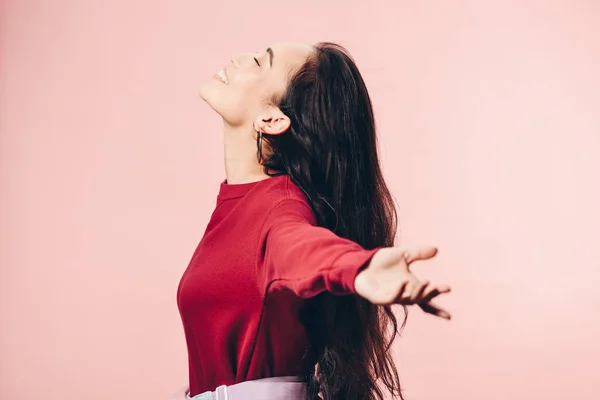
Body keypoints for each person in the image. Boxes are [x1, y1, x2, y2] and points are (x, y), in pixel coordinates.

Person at [170, 41, 452, 400]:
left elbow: (300, 246)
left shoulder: (278, 209)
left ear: (272, 119)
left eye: (258, 62)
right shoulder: (240, 203)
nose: (237, 58)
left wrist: (358, 267)